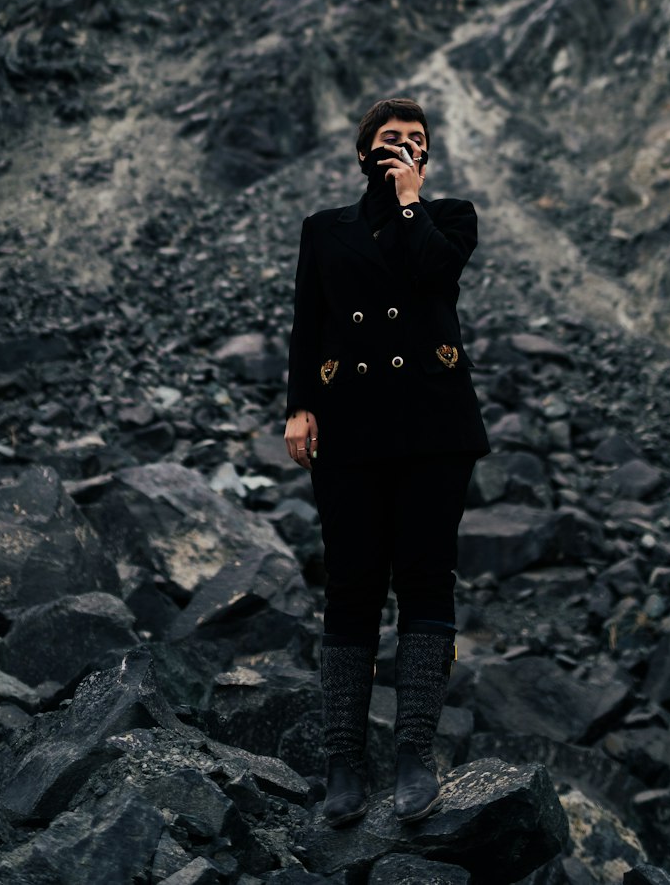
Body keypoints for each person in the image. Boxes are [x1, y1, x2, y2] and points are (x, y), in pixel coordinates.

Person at [284, 96, 490, 827]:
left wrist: (410, 203)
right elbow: (310, 321)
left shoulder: (450, 218)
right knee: (352, 583)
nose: (403, 145)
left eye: (417, 140)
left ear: (426, 159)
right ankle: (344, 762)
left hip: (434, 423)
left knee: (427, 579)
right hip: (351, 425)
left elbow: (433, 275)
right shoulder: (324, 230)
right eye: (390, 136)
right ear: (363, 148)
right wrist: (299, 406)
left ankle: (413, 756)